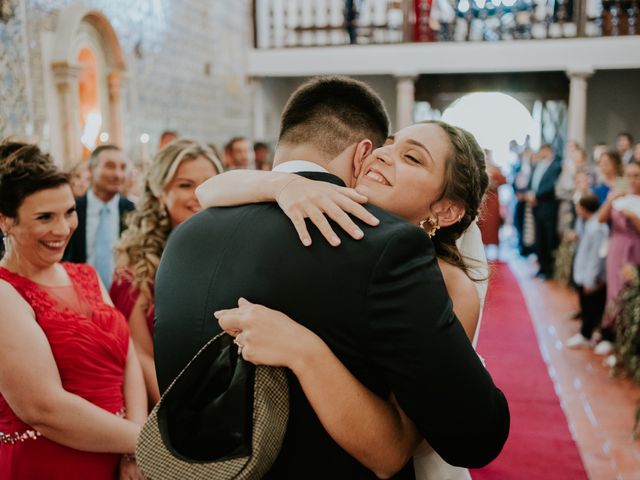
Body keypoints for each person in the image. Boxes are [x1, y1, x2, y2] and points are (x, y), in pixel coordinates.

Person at [154, 76, 509, 479]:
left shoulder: (185, 236)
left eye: (413, 158)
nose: (383, 155)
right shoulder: (367, 242)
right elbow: (208, 190)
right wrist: (282, 184)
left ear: (446, 211)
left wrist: (304, 349)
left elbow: (435, 436)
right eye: (388, 144)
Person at [0, 141, 146, 479]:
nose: (63, 229)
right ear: (6, 221)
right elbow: (43, 408)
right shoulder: (5, 293)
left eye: (69, 212)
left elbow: (128, 357)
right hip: (51, 464)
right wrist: (146, 441)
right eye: (45, 217)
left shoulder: (87, 275)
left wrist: (132, 449)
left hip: (119, 455)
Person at [110, 139, 223, 406]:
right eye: (185, 185)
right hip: (169, 399)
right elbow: (141, 354)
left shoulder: (238, 245)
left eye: (208, 184)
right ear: (161, 193)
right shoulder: (135, 263)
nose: (199, 195)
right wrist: (174, 418)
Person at [63, 145, 135, 289]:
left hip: (122, 296)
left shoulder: (133, 211)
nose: (118, 174)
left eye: (122, 167)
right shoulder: (72, 209)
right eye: (110, 166)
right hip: (80, 293)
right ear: (90, 169)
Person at [597, 160, 640, 356]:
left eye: (636, 176)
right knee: (613, 291)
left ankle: (628, 340)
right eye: (629, 175)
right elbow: (601, 218)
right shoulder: (619, 196)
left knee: (629, 291)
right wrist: (611, 199)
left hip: (635, 249)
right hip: (616, 248)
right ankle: (610, 335)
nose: (632, 180)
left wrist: (633, 216)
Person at [565, 194, 609, 349]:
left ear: (583, 209)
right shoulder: (588, 223)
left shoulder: (597, 227)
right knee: (586, 305)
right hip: (585, 273)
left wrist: (591, 279)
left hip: (592, 276)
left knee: (592, 307)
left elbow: (597, 256)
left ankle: (588, 335)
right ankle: (586, 333)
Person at [526, 144, 562, 279]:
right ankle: (541, 267)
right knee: (539, 237)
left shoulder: (556, 166)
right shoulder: (537, 165)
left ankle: (549, 269)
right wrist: (530, 193)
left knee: (549, 237)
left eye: (542, 151)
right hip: (536, 206)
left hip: (547, 206)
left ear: (548, 151)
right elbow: (532, 182)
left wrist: (536, 196)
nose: (540, 153)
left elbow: (551, 186)